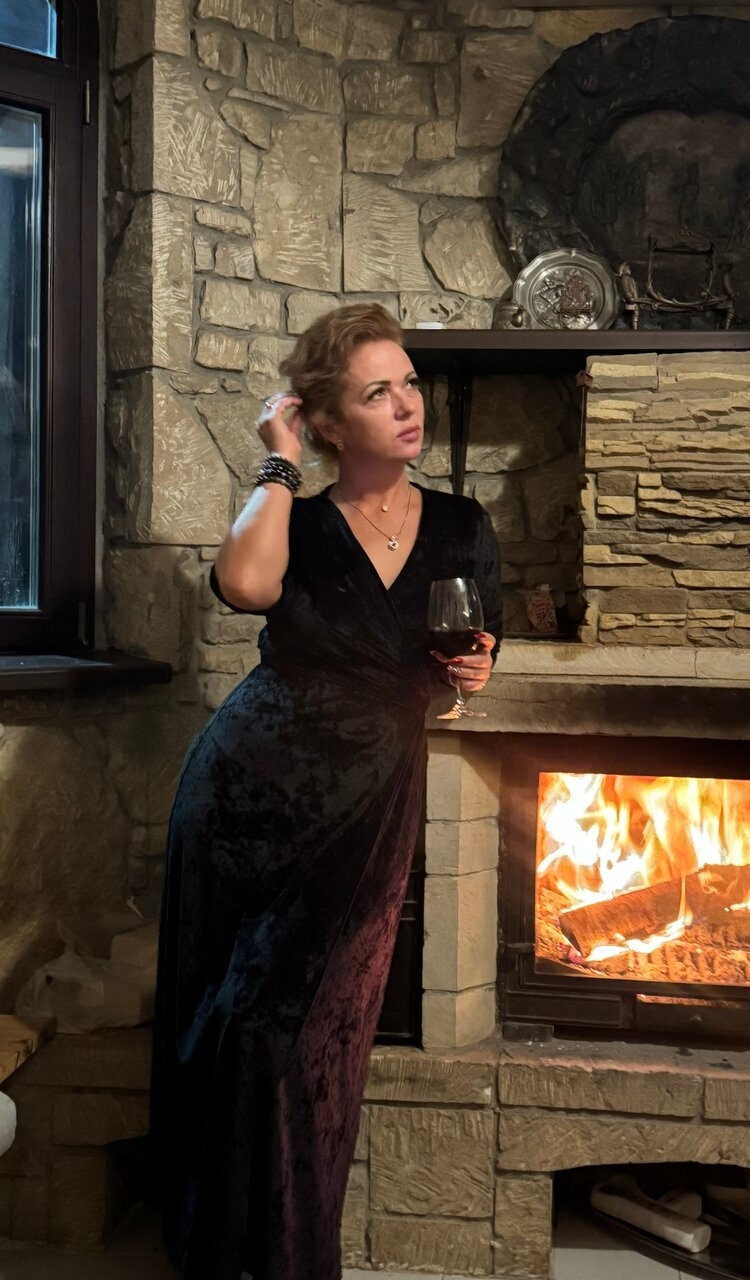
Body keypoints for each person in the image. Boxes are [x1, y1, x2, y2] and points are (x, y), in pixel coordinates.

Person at [150, 303, 502, 1280]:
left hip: (366, 802)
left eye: (409, 383)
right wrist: (278, 459)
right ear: (331, 423)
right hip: (243, 796)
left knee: (303, 1038)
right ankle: (222, 1247)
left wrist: (476, 670)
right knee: (228, 1026)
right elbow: (245, 588)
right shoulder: (297, 520)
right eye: (377, 393)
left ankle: (288, 1256)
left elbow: (478, 644)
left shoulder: (463, 525)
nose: (407, 405)